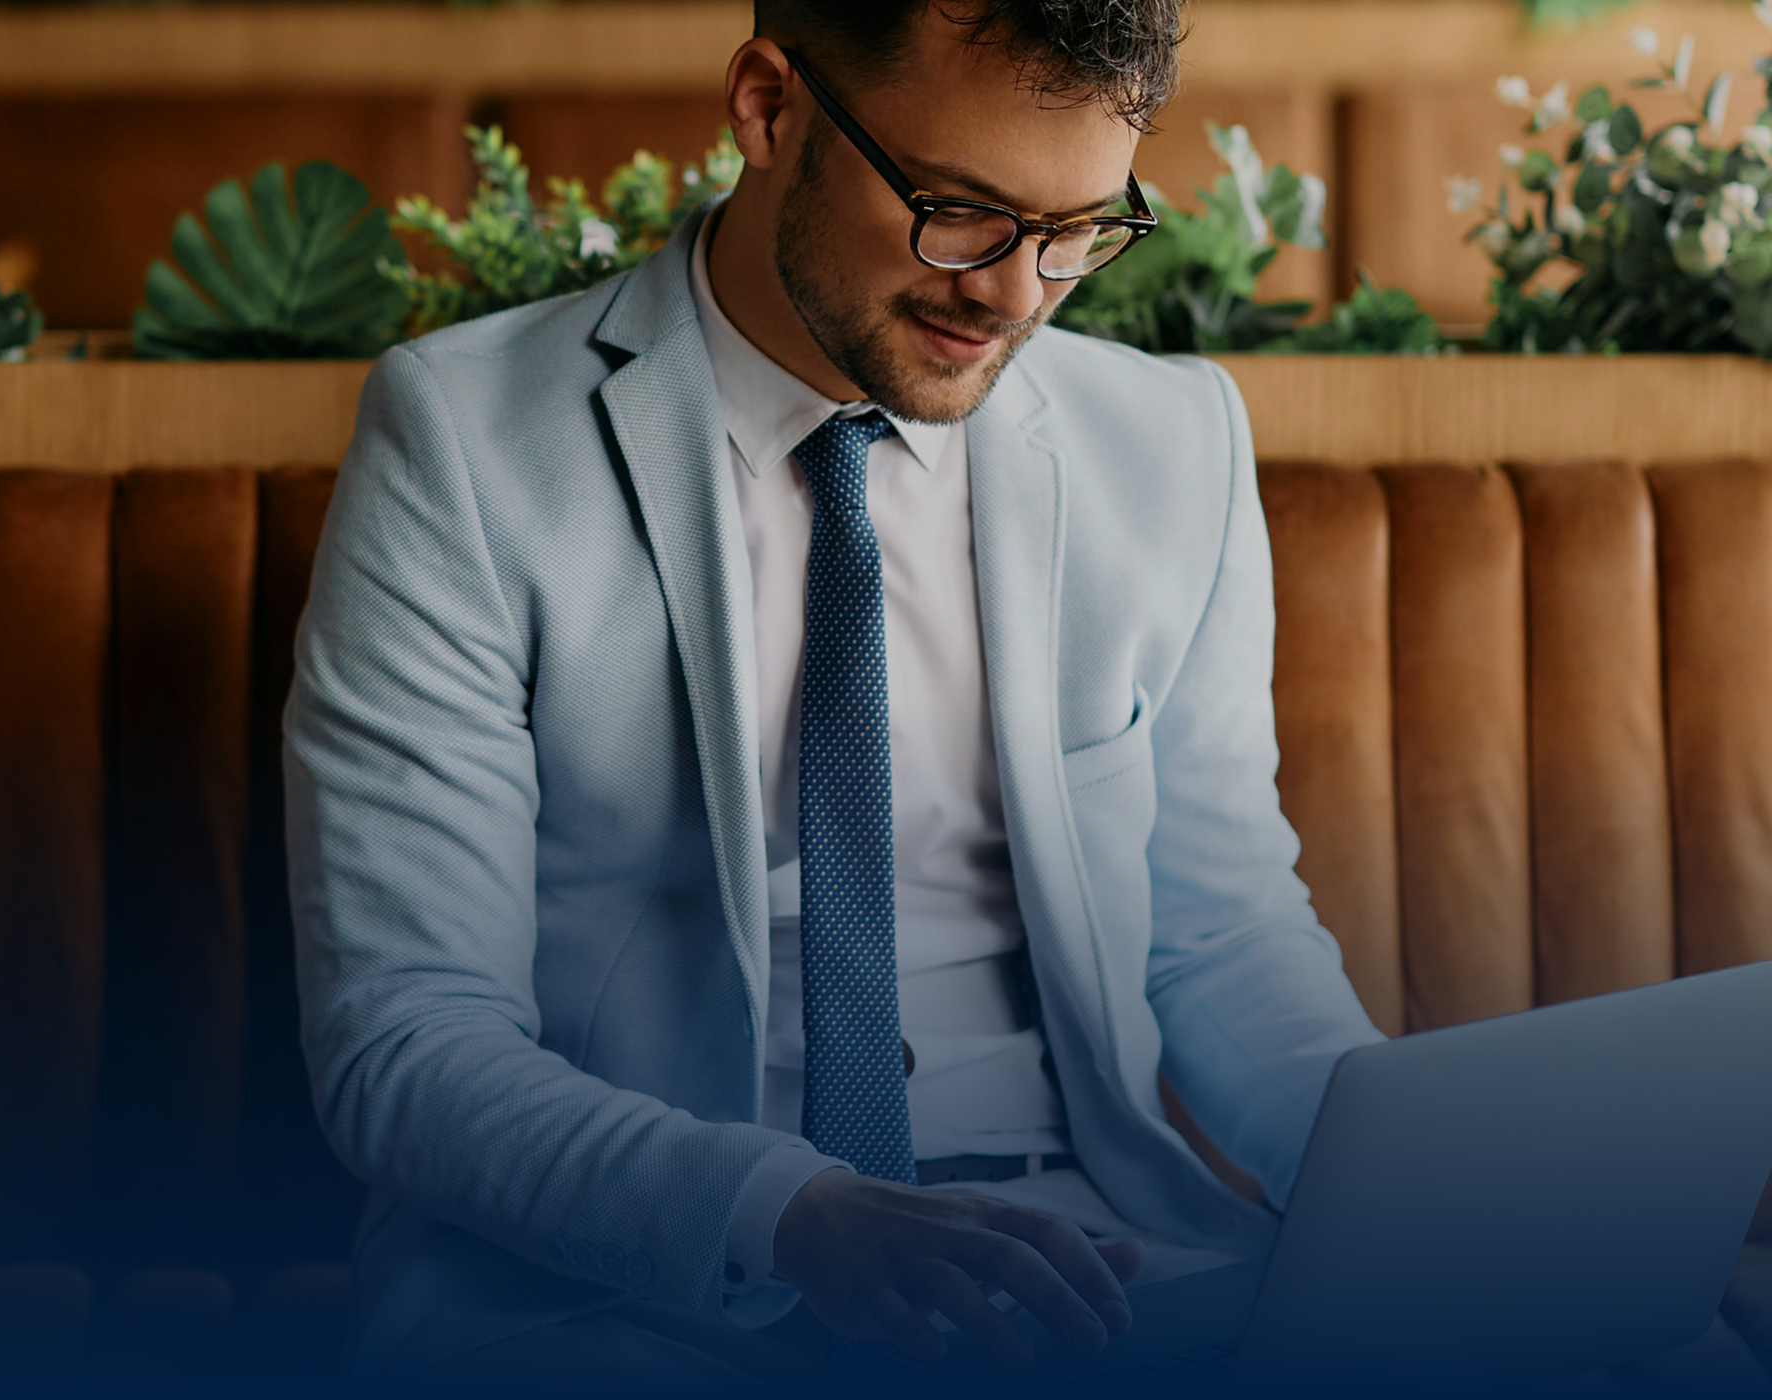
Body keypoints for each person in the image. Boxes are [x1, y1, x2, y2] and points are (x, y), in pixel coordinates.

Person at [282, 0, 1772, 1391]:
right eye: (962, 210)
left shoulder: (1170, 445)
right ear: (769, 107)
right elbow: (409, 1040)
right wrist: (795, 1217)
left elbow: (1219, 940)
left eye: (1076, 232)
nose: (1008, 294)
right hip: (637, 1296)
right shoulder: (466, 446)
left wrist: (1478, 1226)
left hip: (1107, 1270)